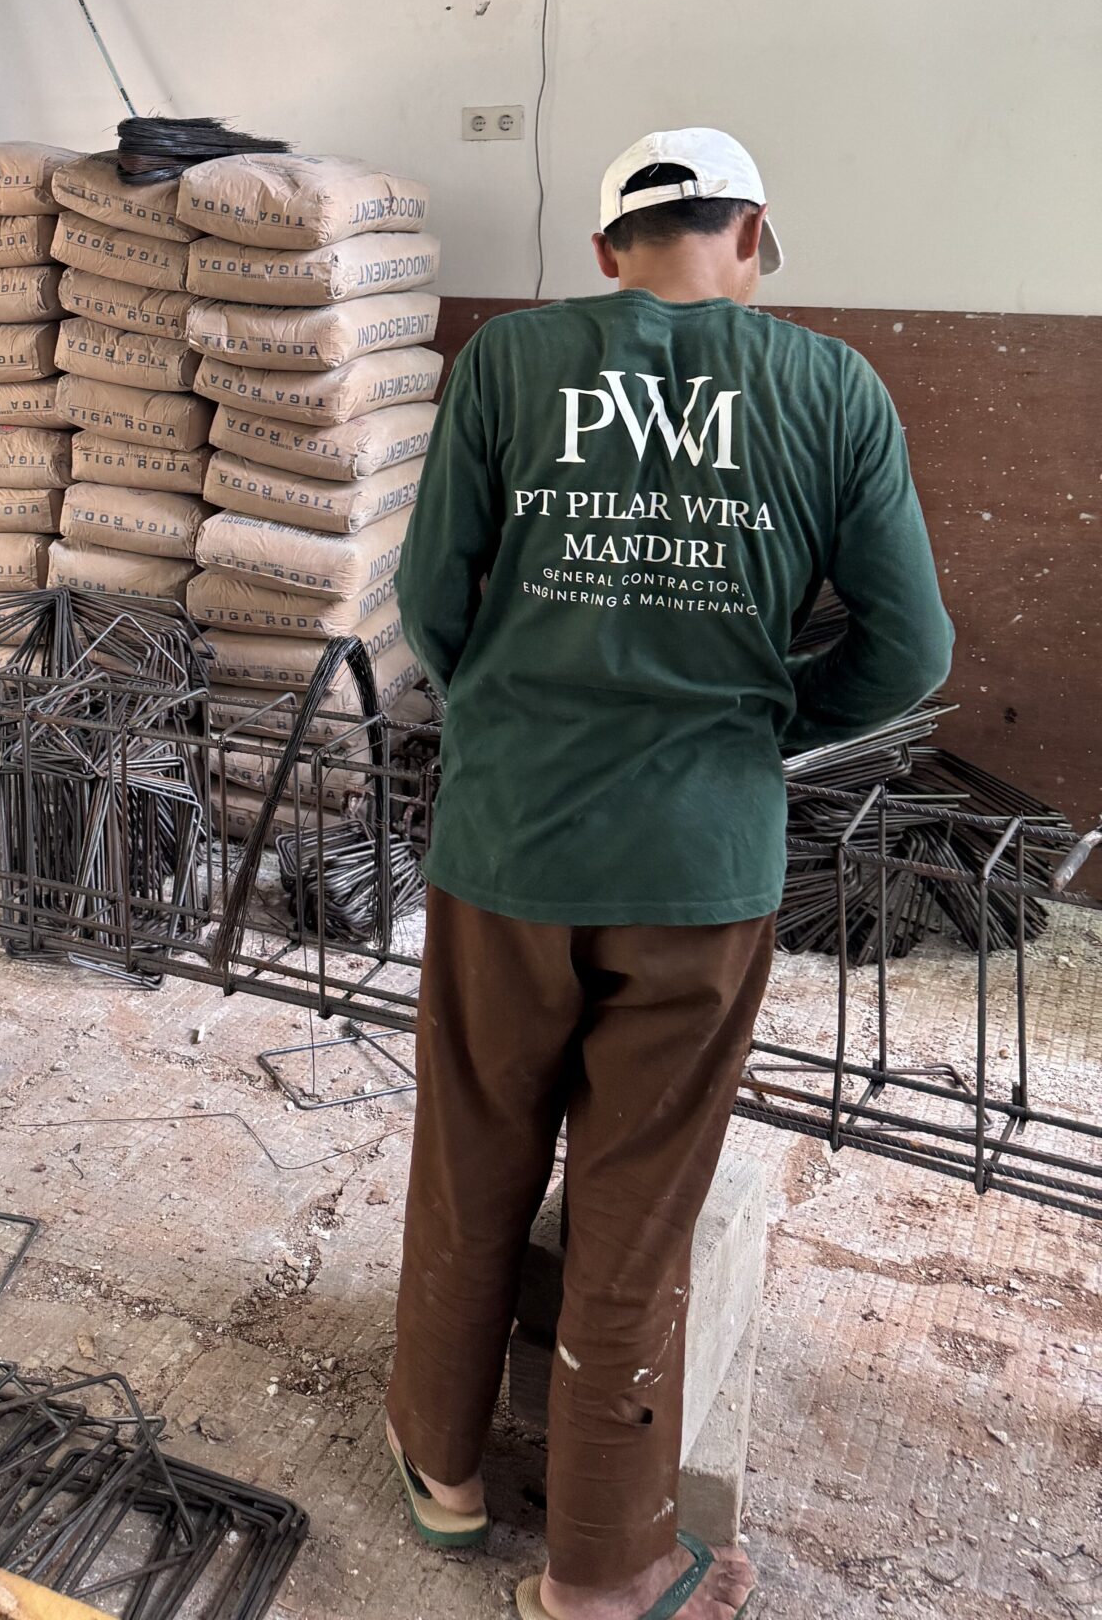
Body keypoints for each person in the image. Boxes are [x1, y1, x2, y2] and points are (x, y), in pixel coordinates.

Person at [387, 128, 953, 1620]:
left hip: (510, 843)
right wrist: (756, 729)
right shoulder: (833, 389)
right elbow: (913, 650)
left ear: (603, 253)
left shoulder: (509, 362)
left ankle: (442, 1469)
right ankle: (605, 1568)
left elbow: (430, 601)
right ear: (753, 233)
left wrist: (516, 712)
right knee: (636, 1209)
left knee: (472, 1151)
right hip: (701, 862)